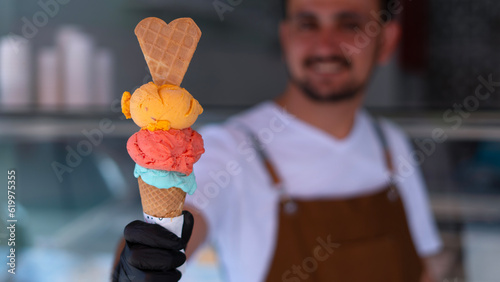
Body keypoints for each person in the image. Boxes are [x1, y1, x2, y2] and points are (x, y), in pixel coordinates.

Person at [113, 0, 442, 281]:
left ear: (386, 41)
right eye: (307, 24)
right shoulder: (228, 149)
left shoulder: (390, 143)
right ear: (286, 37)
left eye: (350, 24)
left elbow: (425, 269)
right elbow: (171, 237)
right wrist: (136, 265)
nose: (325, 45)